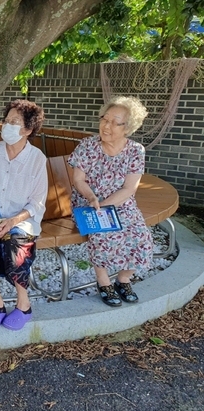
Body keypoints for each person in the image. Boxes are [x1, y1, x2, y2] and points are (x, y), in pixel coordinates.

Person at [68, 96, 152, 307]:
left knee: (142, 238)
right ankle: (104, 283)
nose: (107, 126)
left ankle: (123, 279)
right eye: (105, 119)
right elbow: (78, 179)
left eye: (115, 122)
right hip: (88, 202)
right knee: (101, 234)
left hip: (120, 202)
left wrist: (105, 204)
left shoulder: (135, 151)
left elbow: (129, 188)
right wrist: (92, 199)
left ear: (128, 127)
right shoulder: (87, 145)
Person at [0, 100, 47, 331]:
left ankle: (23, 305)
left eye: (14, 122)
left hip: (22, 221)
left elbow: (37, 203)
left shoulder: (37, 159)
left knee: (15, 249)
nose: (7, 125)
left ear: (27, 130)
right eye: (6, 121)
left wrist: (12, 221)